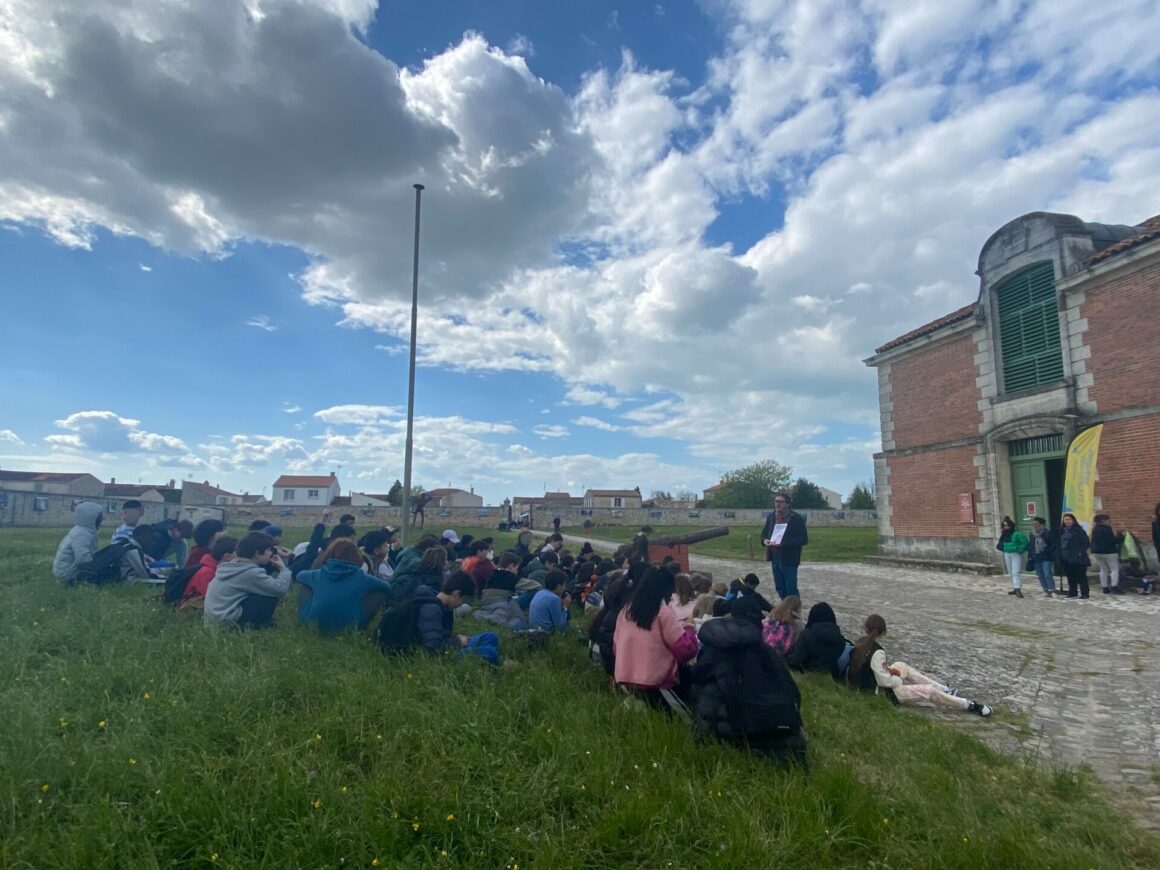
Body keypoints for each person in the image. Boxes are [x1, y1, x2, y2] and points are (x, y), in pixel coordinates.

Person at [692, 595, 807, 765]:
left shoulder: (718, 649)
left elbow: (697, 679)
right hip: (775, 730)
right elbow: (793, 693)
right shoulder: (769, 654)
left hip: (729, 728)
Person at [846, 614, 992, 717]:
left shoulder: (860, 642)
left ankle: (944, 689)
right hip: (882, 693)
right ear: (883, 632)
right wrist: (898, 679)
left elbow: (872, 668)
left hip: (868, 684)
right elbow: (884, 681)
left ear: (865, 628)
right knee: (928, 692)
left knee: (901, 666)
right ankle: (968, 704)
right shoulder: (877, 652)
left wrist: (890, 671)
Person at [613, 567, 699, 705]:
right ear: (665, 591)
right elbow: (685, 650)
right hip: (657, 682)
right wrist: (690, 628)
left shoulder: (626, 611)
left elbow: (616, 645)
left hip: (626, 677)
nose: (671, 597)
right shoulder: (663, 613)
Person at [385, 572, 500, 664]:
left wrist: (454, 639)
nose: (461, 604)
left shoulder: (438, 602)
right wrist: (457, 642)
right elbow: (432, 648)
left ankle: (484, 663)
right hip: (436, 656)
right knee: (489, 652)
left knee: (491, 637)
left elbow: (438, 633)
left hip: (444, 645)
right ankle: (492, 663)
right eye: (463, 600)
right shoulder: (431, 609)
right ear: (456, 594)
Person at [295, 539, 392, 635]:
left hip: (315, 624)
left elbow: (299, 576)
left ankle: (304, 621)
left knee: (305, 586)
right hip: (350, 626)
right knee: (378, 593)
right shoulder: (362, 578)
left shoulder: (317, 574)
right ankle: (359, 628)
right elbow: (386, 586)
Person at [203, 531, 291, 628]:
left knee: (262, 589)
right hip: (227, 623)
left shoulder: (231, 566)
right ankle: (261, 624)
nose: (271, 553)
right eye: (269, 550)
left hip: (213, 620)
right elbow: (279, 589)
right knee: (269, 595)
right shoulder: (250, 572)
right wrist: (283, 569)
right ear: (257, 553)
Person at [761, 492, 808, 600]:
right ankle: (785, 609)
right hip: (774, 556)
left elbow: (803, 539)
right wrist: (765, 540)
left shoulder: (796, 519)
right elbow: (764, 532)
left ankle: (794, 612)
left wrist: (783, 543)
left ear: (787, 504)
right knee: (780, 587)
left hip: (789, 557)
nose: (777, 504)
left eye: (780, 502)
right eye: (776, 501)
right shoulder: (771, 517)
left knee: (791, 588)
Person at [787, 602, 851, 680]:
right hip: (832, 675)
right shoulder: (840, 639)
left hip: (807, 673)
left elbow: (795, 660)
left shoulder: (807, 634)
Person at [473, 552, 531, 630]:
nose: (517, 571)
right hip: (500, 604)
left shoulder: (492, 574)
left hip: (485, 603)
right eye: (516, 568)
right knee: (533, 592)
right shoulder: (512, 578)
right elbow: (537, 586)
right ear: (511, 566)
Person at [52, 501, 103, 584]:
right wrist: (97, 565)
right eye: (100, 516)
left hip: (63, 569)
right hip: (67, 573)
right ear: (91, 517)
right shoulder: (82, 535)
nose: (102, 519)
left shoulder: (81, 529)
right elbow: (82, 559)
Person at [183, 535, 238, 604]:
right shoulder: (207, 572)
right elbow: (211, 599)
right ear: (227, 557)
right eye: (238, 555)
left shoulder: (214, 569)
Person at [1057, 513, 1091, 599]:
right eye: (1065, 520)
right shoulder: (1061, 531)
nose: (1067, 521)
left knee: (1081, 576)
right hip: (1065, 557)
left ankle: (1085, 593)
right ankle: (1073, 591)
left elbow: (1086, 543)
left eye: (1069, 520)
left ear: (1073, 521)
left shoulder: (1079, 531)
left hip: (1078, 557)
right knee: (1070, 576)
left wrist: (1080, 552)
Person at [996, 516, 1028, 598]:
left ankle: (1018, 589)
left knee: (1015, 572)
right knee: (1010, 571)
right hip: (1007, 554)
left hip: (1015, 554)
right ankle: (1015, 587)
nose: (1006, 527)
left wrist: (1019, 549)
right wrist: (1003, 547)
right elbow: (1000, 544)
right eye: (1004, 526)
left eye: (1007, 525)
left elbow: (1024, 543)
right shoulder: (1004, 535)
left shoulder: (1017, 534)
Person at [1090, 514, 1122, 594]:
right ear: (1103, 521)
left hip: (1096, 552)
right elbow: (1112, 540)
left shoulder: (1094, 529)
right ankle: (1114, 586)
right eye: (1108, 520)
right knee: (1114, 569)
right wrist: (1120, 537)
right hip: (1109, 551)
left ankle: (1105, 587)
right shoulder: (1107, 529)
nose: (1110, 521)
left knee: (1103, 569)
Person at [1026, 517, 1057, 597]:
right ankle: (1045, 590)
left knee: (1047, 574)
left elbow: (1053, 544)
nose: (1034, 525)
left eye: (1036, 524)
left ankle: (1052, 590)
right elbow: (1031, 545)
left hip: (1046, 557)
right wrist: (1031, 554)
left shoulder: (1048, 533)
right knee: (1040, 574)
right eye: (1033, 524)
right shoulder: (1032, 534)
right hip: (1036, 557)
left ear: (1042, 525)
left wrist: (1047, 551)